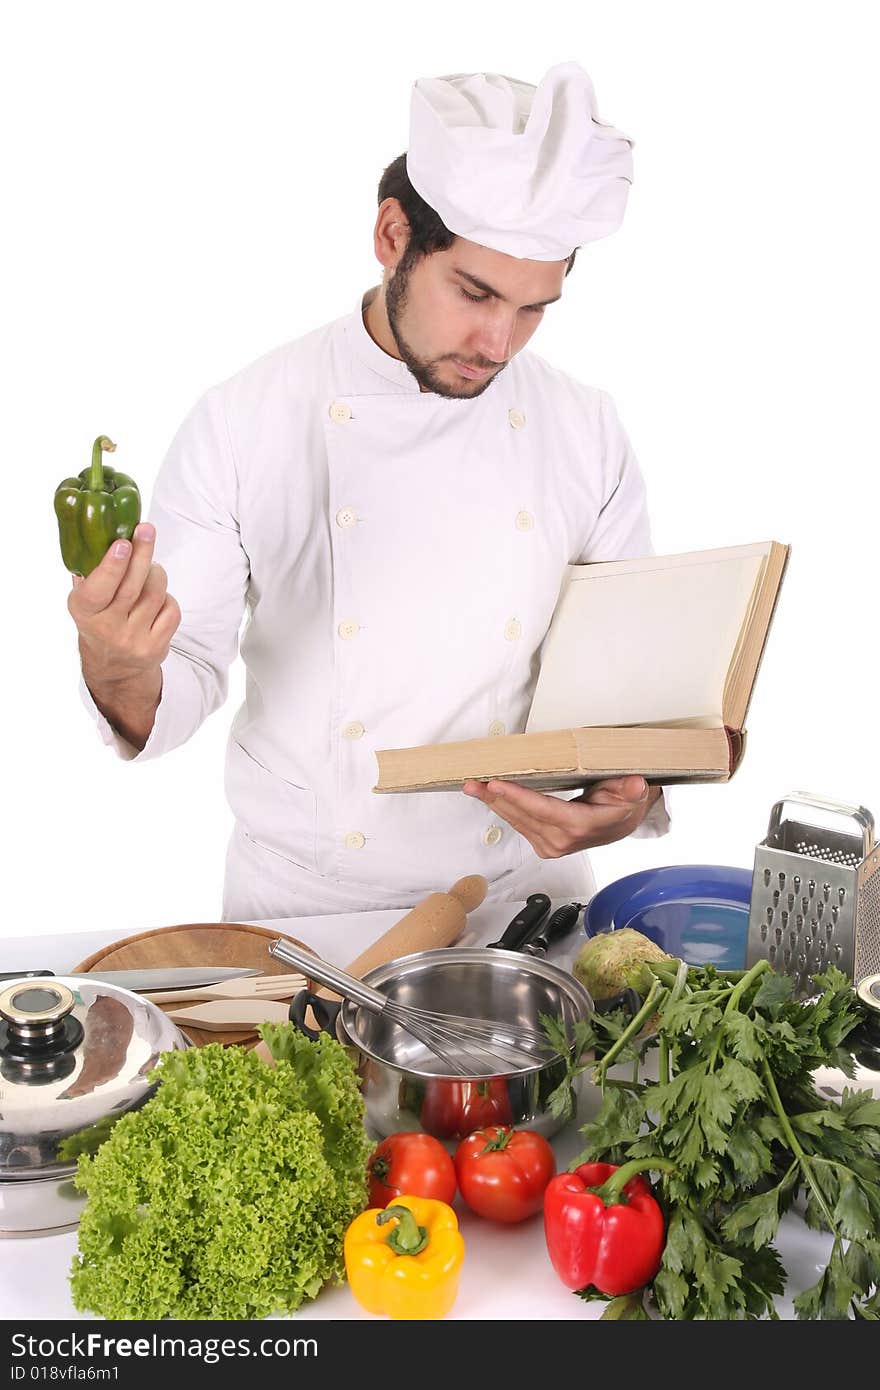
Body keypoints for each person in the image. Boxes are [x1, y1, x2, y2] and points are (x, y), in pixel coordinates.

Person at [66, 61, 670, 921]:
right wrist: (116, 664)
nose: (499, 343)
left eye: (536, 307)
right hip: (310, 914)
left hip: (527, 902)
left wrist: (628, 801)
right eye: (475, 292)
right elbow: (181, 677)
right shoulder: (245, 420)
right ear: (393, 235)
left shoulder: (586, 428)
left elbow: (625, 690)